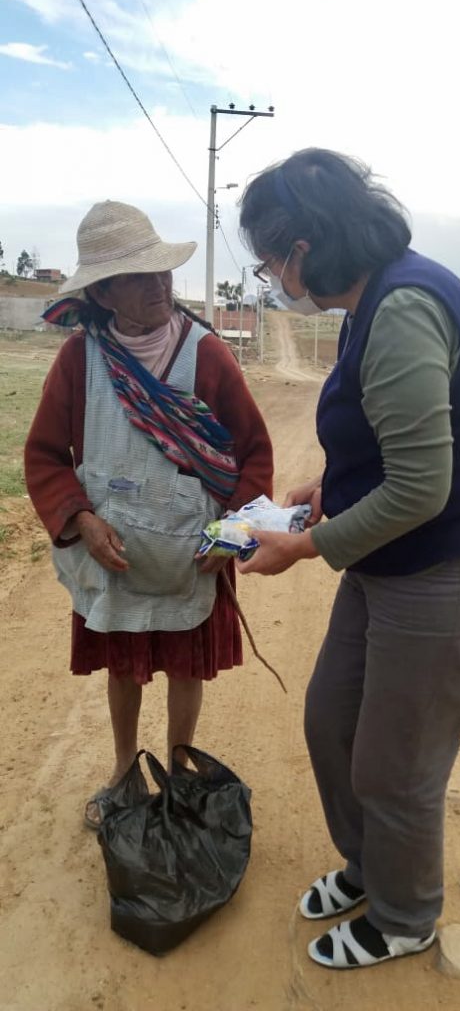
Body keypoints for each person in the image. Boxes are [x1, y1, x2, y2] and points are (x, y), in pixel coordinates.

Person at [238, 149, 460, 970]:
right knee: (333, 722)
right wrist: (331, 485)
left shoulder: (400, 307)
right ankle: (372, 867)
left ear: (304, 248)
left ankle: (405, 915)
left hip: (446, 568)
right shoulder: (369, 299)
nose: (268, 276)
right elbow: (391, 437)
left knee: (397, 764)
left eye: (268, 258)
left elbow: (423, 488)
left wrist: (305, 546)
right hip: (390, 564)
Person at [25, 200, 273, 829]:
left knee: (188, 665)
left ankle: (179, 764)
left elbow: (253, 454)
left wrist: (235, 532)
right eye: (140, 277)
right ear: (105, 293)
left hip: (194, 553)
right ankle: (123, 770)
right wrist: (81, 519)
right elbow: (46, 456)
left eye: (162, 272)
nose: (161, 285)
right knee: (124, 668)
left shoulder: (207, 355)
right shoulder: (79, 361)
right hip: (116, 555)